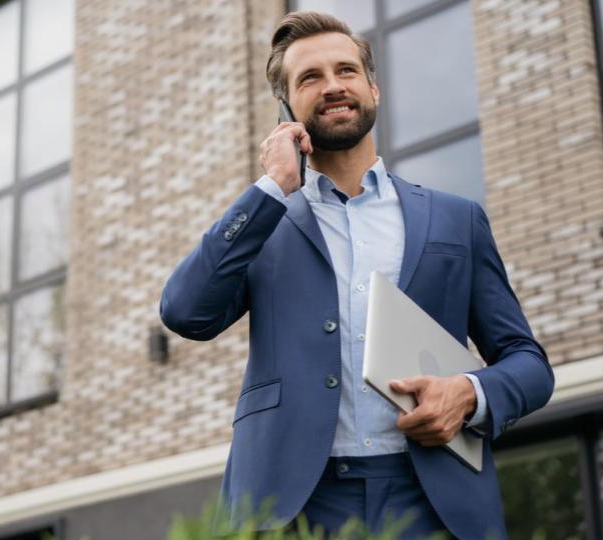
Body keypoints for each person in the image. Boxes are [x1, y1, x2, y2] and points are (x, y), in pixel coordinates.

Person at [159, 11, 554, 539]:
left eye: (345, 71)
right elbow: (186, 312)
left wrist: (468, 392)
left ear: (372, 87)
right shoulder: (265, 223)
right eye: (310, 78)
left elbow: (528, 364)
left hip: (432, 501)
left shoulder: (456, 220)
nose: (332, 87)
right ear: (287, 108)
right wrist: (273, 187)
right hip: (294, 504)